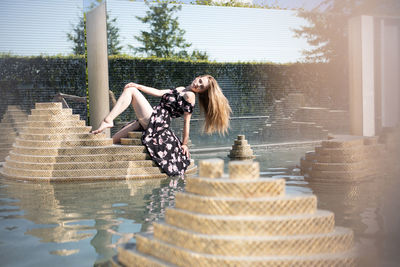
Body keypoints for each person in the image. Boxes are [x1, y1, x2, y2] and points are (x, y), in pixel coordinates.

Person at [91, 75, 231, 176]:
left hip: (158, 121)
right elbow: (158, 92)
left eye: (201, 87)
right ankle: (96, 164)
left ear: (201, 92)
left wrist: (184, 144)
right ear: (198, 77)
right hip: (152, 118)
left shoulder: (190, 97)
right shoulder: (182, 88)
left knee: (131, 91)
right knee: (113, 140)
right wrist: (138, 85)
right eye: (200, 81)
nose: (198, 85)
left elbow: (186, 122)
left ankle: (108, 120)